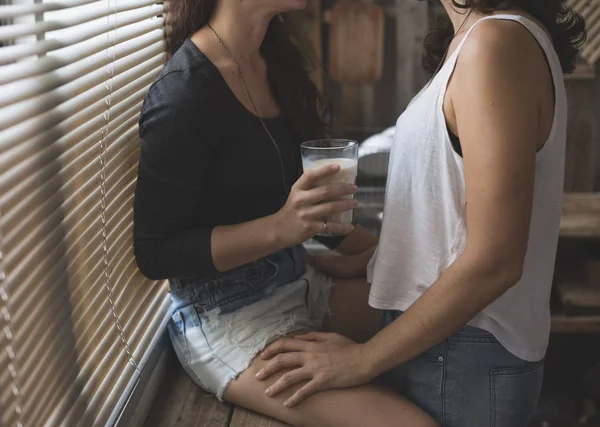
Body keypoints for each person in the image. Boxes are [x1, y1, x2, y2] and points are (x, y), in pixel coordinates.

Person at [255, 1, 586, 426]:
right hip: (446, 348)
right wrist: (368, 261)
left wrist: (361, 360)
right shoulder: (481, 40)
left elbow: (497, 260)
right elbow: (452, 216)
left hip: (463, 357)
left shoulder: (496, 43)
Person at [132, 0, 439, 425]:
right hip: (227, 318)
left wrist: (380, 256)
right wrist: (282, 228)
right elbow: (155, 253)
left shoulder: (275, 59)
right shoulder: (184, 92)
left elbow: (317, 214)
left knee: (441, 311)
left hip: (298, 278)